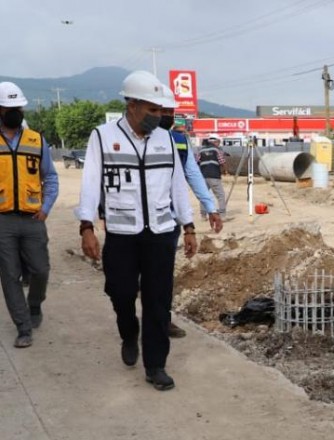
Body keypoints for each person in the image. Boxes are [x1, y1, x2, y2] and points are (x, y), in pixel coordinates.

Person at [75, 71, 198, 391]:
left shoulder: (167, 141)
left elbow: (178, 186)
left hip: (159, 233)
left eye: (161, 111)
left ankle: (155, 364)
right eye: (152, 110)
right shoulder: (102, 137)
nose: (158, 117)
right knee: (121, 293)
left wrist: (188, 226)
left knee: (159, 302)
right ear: (131, 105)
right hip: (121, 233)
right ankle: (128, 333)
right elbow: (90, 183)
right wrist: (87, 226)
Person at [159, 88, 222, 338]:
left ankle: (162, 319)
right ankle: (131, 318)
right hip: (136, 221)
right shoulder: (135, 141)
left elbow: (193, 174)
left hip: (169, 220)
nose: (165, 115)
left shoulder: (180, 141)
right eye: (160, 110)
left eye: (169, 111)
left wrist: (210, 207)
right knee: (129, 282)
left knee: (163, 274)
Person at [0, 81, 59, 348]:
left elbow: (52, 179)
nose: (16, 112)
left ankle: (34, 304)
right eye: (10, 108)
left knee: (41, 270)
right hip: (3, 222)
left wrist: (45, 209)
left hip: (33, 220)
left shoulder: (36, 140)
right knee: (9, 276)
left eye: (19, 107)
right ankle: (23, 328)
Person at [197, 135, 227, 219]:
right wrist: (225, 171)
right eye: (218, 142)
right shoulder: (216, 150)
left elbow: (197, 162)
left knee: (204, 195)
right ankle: (222, 215)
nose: (219, 144)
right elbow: (222, 161)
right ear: (214, 141)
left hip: (203, 176)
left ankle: (203, 215)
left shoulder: (201, 150)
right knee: (220, 195)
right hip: (214, 176)